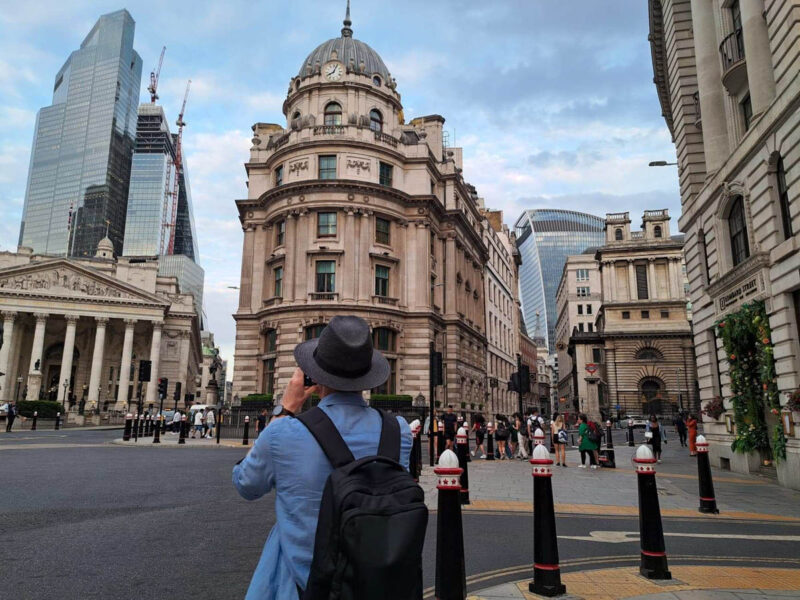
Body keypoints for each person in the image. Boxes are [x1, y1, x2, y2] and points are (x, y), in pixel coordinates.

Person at [232, 316, 412, 598]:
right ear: (368, 375)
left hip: (300, 586)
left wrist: (286, 409)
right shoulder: (398, 431)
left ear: (313, 375)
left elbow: (246, 484)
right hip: (375, 585)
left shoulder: (284, 432)